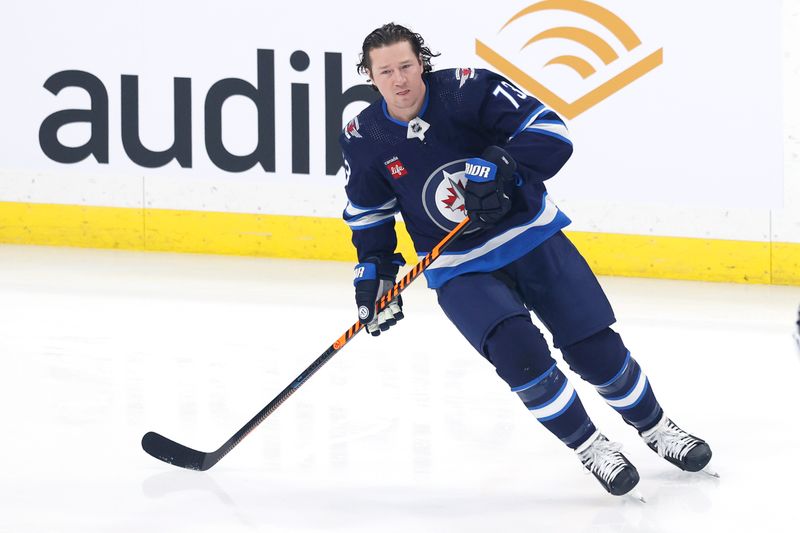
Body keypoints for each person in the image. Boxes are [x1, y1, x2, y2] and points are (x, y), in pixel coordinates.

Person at [339, 22, 713, 497]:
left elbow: (552, 130)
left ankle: (656, 428)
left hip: (531, 237)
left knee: (595, 351)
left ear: (423, 63)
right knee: (520, 356)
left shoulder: (467, 90)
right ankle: (590, 446)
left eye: (407, 66)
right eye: (386, 71)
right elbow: (370, 215)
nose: (399, 80)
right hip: (459, 267)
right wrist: (374, 276)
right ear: (370, 77)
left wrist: (504, 167)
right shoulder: (363, 134)